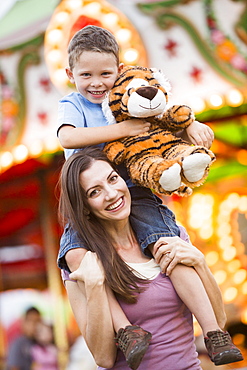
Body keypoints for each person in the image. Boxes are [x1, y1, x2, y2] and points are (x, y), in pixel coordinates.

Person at [56, 26, 242, 368]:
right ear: (70, 75)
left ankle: (214, 332)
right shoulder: (74, 104)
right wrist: (122, 130)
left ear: (120, 70)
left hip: (138, 186)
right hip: (80, 204)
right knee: (78, 255)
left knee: (166, 245)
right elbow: (68, 138)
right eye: (86, 75)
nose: (97, 83)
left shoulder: (124, 96)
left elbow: (161, 115)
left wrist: (190, 127)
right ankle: (126, 330)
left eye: (105, 74)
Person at [58, 148, 243, 369]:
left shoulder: (169, 235)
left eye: (113, 179)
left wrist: (200, 263)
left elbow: (218, 321)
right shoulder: (82, 265)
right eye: (94, 192)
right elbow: (103, 358)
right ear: (85, 207)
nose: (111, 194)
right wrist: (96, 286)